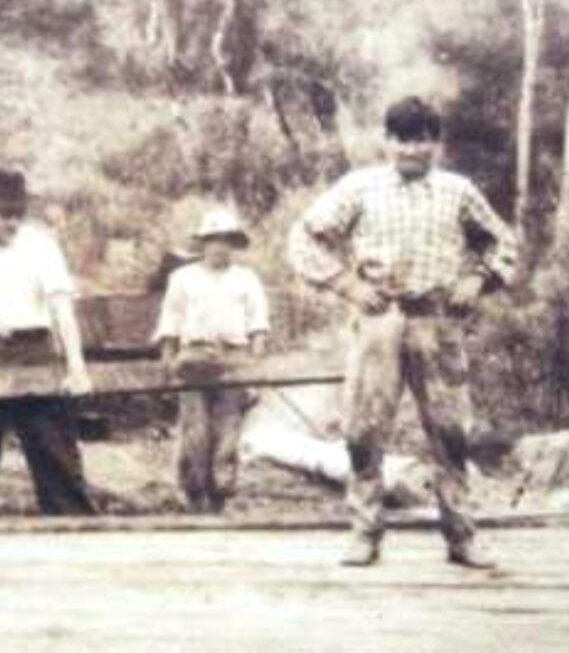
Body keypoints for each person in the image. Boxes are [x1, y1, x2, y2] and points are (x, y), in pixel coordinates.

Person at [288, 96, 519, 569]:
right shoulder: (360, 187)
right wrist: (346, 284)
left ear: (436, 143)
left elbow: (502, 240)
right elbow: (304, 236)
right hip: (379, 319)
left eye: (422, 140)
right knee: (364, 430)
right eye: (402, 139)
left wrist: (478, 279)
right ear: (386, 140)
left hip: (436, 321)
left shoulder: (458, 191)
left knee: (451, 429)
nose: (412, 150)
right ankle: (364, 533)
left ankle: (462, 537)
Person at [0, 167, 97, 516]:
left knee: (56, 453)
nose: (11, 223)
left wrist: (76, 366)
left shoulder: (42, 246)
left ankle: (75, 535)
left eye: (17, 215)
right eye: (3, 214)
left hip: (35, 349)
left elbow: (60, 308)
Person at [154, 208, 270, 513]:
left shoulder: (247, 279)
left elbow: (258, 326)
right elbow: (171, 321)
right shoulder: (182, 278)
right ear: (203, 244)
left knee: (228, 432)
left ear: (234, 244)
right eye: (213, 240)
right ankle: (194, 496)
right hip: (193, 357)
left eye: (227, 241)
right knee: (195, 431)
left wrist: (254, 372)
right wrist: (168, 362)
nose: (220, 247)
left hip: (234, 358)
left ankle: (221, 496)